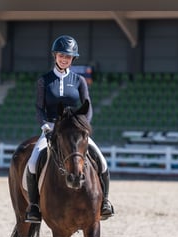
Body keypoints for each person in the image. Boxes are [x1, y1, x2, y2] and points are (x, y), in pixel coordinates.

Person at [25, 35, 114, 223]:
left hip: (75, 132)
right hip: (51, 128)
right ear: (55, 56)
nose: (64, 59)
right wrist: (45, 126)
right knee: (33, 163)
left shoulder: (79, 81)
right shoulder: (45, 80)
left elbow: (87, 106)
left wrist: (83, 127)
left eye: (68, 56)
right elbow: (39, 108)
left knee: (102, 162)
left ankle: (104, 202)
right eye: (61, 55)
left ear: (73, 59)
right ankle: (34, 206)